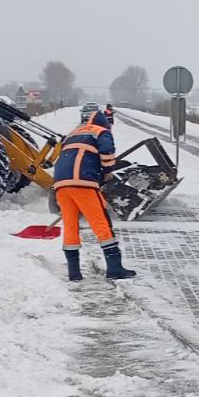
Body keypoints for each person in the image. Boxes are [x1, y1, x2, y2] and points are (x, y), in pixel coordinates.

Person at [53, 111, 137, 281]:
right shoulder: (101, 131)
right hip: (83, 183)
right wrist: (107, 172)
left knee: (70, 225)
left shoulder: (72, 134)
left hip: (61, 184)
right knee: (101, 223)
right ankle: (114, 268)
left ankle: (74, 272)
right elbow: (107, 151)